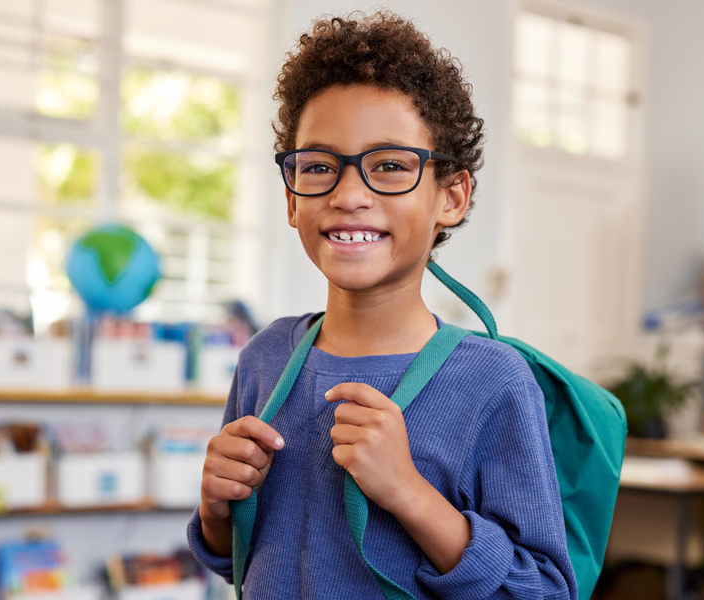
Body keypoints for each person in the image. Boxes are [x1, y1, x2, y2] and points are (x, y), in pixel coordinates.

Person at [187, 11, 576, 600]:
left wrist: (408, 492)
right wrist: (217, 511)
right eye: (317, 167)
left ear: (451, 195)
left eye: (389, 166)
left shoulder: (494, 383)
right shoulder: (265, 359)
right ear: (291, 198)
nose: (348, 196)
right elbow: (246, 560)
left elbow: (545, 592)